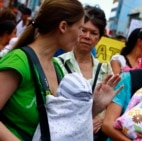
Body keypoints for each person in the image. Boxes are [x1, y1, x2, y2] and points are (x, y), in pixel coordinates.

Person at [0, 0, 121, 141]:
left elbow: (60, 121)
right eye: (81, 29)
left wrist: (95, 107)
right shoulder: (19, 61)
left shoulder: (57, 68)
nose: (82, 36)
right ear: (63, 27)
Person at [56, 5, 112, 141]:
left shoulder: (105, 69)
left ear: (99, 38)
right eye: (83, 30)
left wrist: (104, 118)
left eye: (94, 33)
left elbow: (113, 104)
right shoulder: (57, 63)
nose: (87, 36)